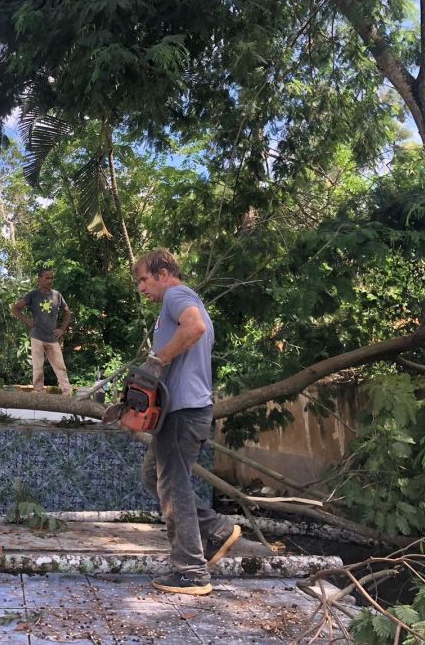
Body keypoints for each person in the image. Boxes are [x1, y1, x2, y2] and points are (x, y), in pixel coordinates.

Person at [134, 248, 268, 596]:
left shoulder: (177, 295)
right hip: (177, 412)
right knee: (153, 475)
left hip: (185, 412)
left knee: (173, 488)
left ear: (163, 272)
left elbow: (195, 327)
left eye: (143, 279)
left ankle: (192, 571)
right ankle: (218, 529)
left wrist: (156, 360)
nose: (141, 288)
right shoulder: (173, 304)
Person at [10, 268, 73, 396]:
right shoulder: (33, 295)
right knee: (38, 367)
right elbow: (15, 308)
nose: (50, 281)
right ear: (39, 279)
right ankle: (40, 392)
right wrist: (27, 320)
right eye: (47, 278)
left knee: (60, 367)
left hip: (53, 338)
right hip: (37, 336)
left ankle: (67, 392)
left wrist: (62, 329)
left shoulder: (57, 295)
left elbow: (67, 312)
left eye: (51, 278)